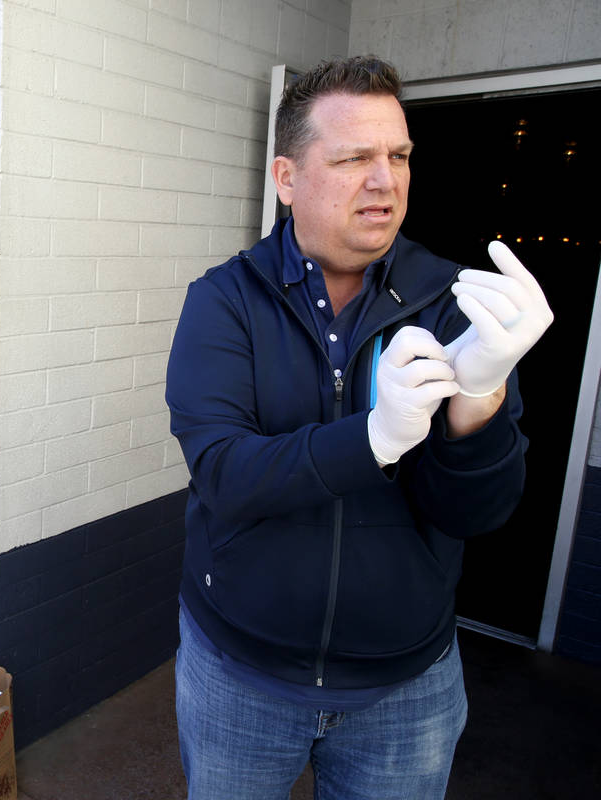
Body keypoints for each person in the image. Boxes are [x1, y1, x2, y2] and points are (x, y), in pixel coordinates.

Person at [165, 55, 553, 800]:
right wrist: (373, 439)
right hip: (240, 675)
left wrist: (480, 398)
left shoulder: (449, 302)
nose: (386, 181)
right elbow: (224, 474)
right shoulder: (226, 301)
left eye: (399, 155)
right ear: (287, 179)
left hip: (404, 690)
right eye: (353, 159)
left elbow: (477, 512)